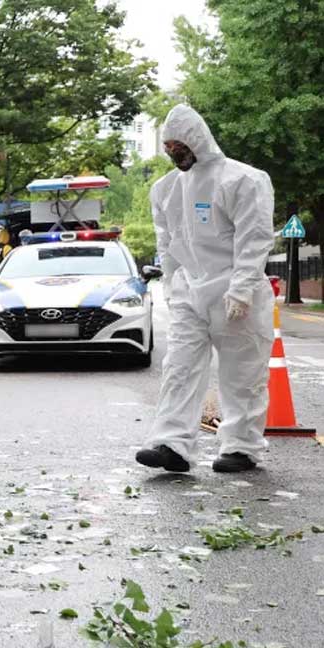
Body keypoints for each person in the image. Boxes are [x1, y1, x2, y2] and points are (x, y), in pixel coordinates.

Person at [136, 104, 275, 474]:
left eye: (179, 146)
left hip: (235, 292)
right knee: (179, 368)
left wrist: (243, 288)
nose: (175, 155)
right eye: (169, 149)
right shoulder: (165, 189)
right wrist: (171, 284)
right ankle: (172, 445)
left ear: (197, 139)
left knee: (242, 374)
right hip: (190, 294)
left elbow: (254, 238)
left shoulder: (243, 180)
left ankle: (241, 447)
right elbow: (167, 243)